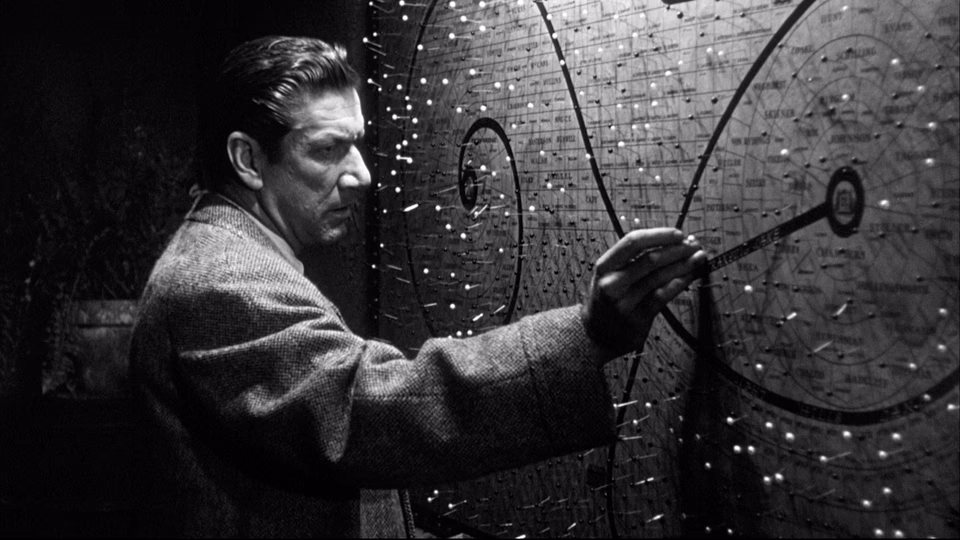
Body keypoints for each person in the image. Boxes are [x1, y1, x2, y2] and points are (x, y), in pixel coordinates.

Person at [129, 35, 705, 537]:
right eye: (327, 150)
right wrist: (586, 335)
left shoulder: (231, 255)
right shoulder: (221, 281)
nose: (361, 174)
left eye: (356, 143)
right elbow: (370, 415)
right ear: (248, 159)